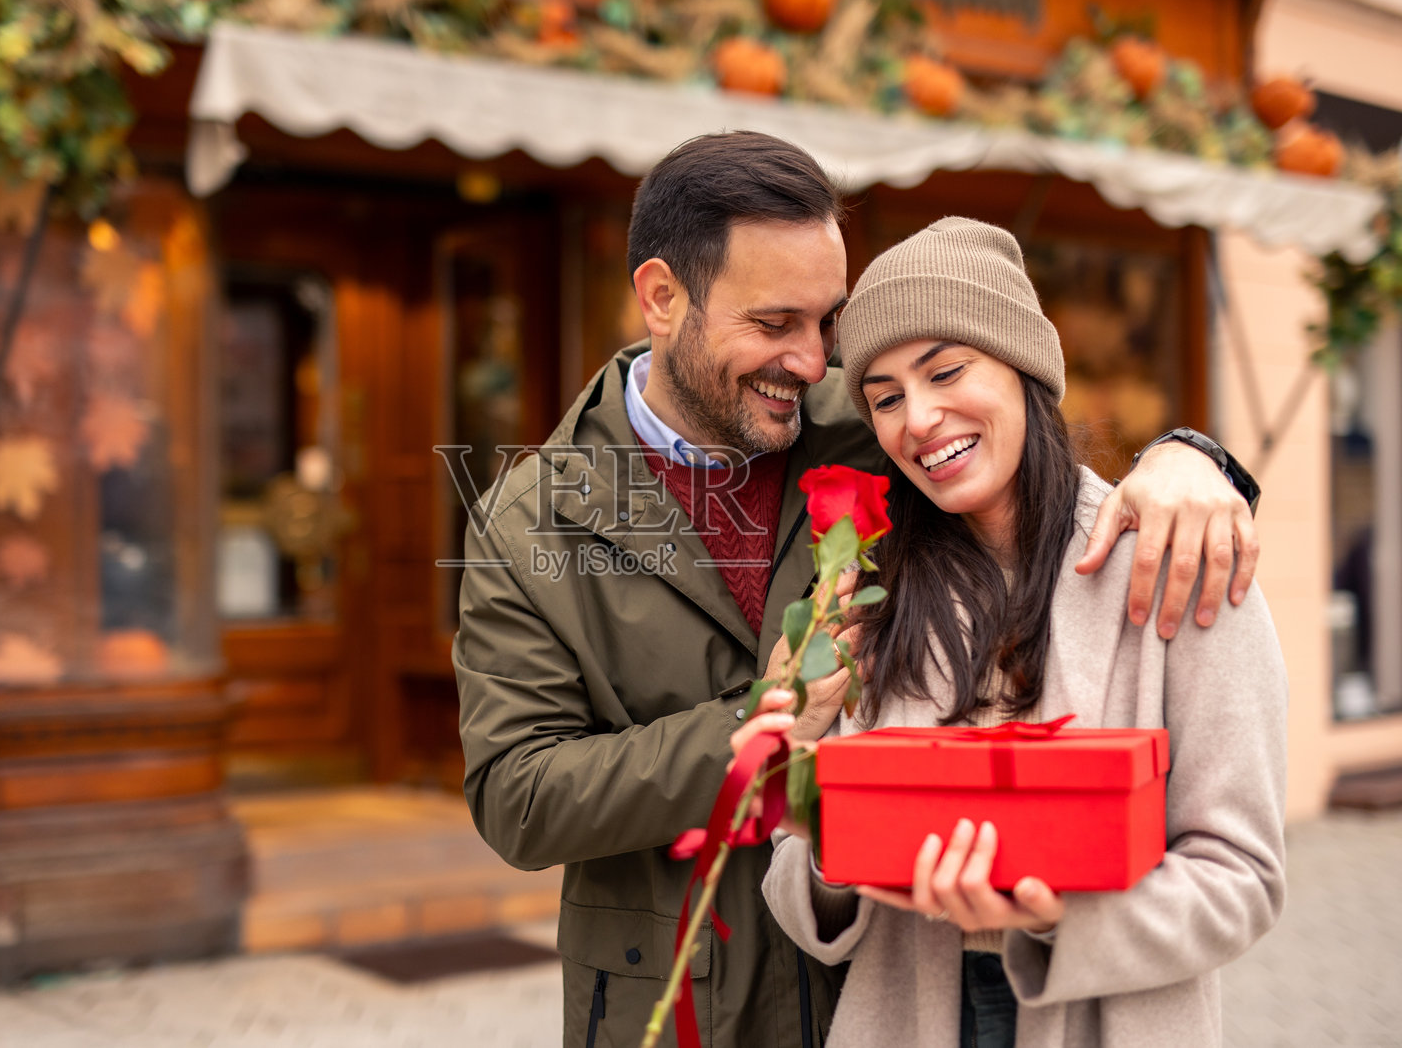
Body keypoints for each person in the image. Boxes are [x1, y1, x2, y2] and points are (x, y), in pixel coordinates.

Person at [454, 133, 1262, 1048]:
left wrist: (1192, 458)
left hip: (878, 1001)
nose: (809, 361)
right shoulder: (528, 520)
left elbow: (1001, 411)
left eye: (825, 322)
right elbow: (517, 796)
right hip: (679, 998)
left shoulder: (865, 417)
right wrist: (753, 728)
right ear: (662, 297)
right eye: (773, 323)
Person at [748, 217, 1287, 1046]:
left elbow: (1241, 876)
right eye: (885, 396)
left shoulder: (1181, 556)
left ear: (1026, 366)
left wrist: (1060, 913)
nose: (919, 418)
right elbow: (794, 872)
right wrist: (830, 839)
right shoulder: (865, 592)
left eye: (947, 370)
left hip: (1110, 1014)